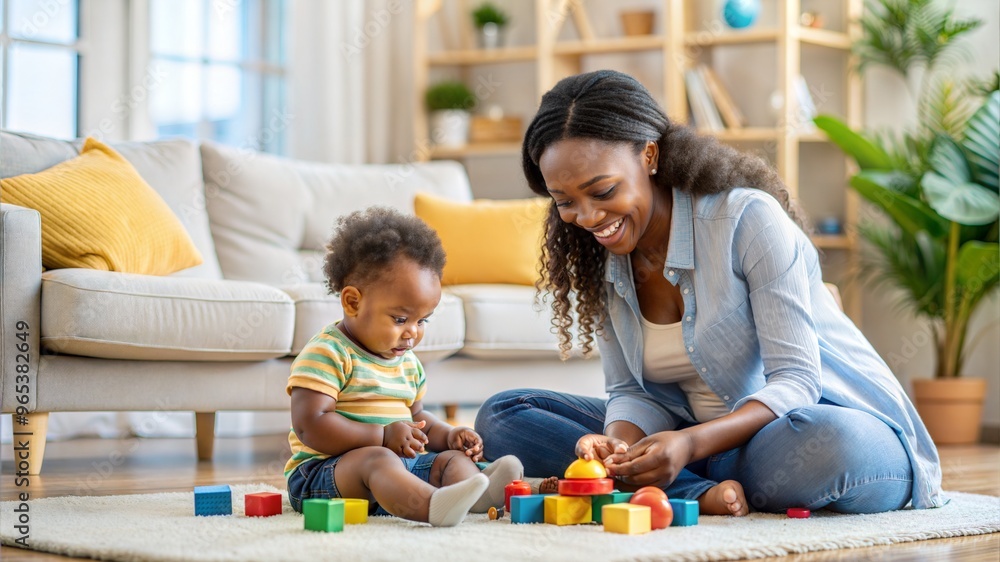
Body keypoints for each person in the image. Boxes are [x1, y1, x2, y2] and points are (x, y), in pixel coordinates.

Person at [474, 69, 943, 515]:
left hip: (815, 427)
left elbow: (798, 383)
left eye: (603, 191)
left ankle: (677, 477)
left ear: (649, 156)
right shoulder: (600, 255)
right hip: (698, 437)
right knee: (503, 414)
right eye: (565, 202)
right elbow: (632, 391)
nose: (589, 217)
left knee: (831, 443)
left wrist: (690, 444)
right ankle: (696, 490)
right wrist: (617, 444)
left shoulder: (745, 221)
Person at [285, 207, 524, 527]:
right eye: (400, 319)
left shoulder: (407, 362)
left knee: (448, 462)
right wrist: (382, 436)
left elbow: (417, 420)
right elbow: (310, 426)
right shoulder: (328, 352)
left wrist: (450, 436)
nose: (412, 331)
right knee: (379, 459)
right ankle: (432, 507)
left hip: (396, 467)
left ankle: (477, 496)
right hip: (323, 476)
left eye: (422, 320)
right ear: (353, 302)